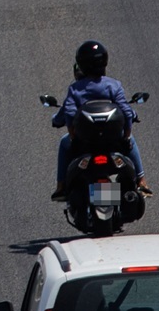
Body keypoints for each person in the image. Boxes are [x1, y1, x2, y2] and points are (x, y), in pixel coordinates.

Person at [50, 40, 150, 201]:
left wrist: (72, 136)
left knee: (64, 143)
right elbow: (126, 111)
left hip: (84, 142)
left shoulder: (76, 89)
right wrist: (126, 135)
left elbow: (69, 113)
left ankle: (61, 186)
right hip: (113, 141)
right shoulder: (114, 85)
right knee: (132, 141)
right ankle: (142, 181)